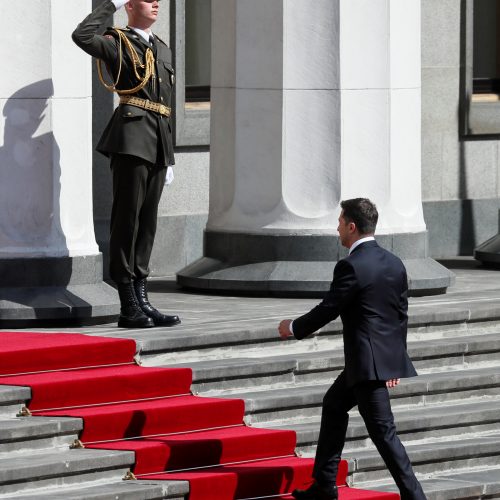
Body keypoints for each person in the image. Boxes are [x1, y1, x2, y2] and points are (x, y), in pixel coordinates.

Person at [278, 198, 426, 500]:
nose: (337, 228)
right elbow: (399, 315)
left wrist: (293, 327)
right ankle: (324, 485)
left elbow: (329, 309)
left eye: (340, 222)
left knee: (385, 435)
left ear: (352, 226)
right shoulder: (394, 262)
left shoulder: (351, 266)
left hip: (366, 366)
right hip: (371, 362)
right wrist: (394, 361)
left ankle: (416, 497)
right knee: (333, 405)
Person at [72, 0, 180, 328]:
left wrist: (169, 152)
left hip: (158, 142)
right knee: (127, 221)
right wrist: (111, 5)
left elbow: (165, 102)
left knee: (147, 224)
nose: (156, 4)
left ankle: (142, 299)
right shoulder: (117, 41)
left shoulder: (160, 47)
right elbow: (81, 36)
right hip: (132, 139)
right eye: (148, 0)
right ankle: (127, 304)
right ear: (131, 6)